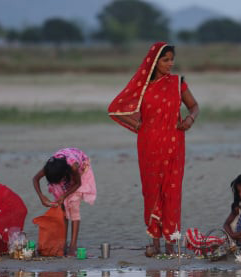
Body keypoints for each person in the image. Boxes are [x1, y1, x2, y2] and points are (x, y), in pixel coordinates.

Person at [108, 42, 199, 257]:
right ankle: (155, 242)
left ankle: (171, 242)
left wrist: (189, 119)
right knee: (151, 191)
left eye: (171, 59)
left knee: (172, 191)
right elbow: (115, 109)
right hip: (149, 144)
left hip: (174, 143)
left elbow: (194, 106)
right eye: (165, 59)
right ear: (154, 61)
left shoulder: (178, 83)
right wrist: (138, 124)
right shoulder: (142, 86)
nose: (170, 63)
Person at [32, 147, 97, 256]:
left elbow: (78, 184)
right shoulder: (50, 167)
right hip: (62, 171)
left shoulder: (74, 167)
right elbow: (35, 179)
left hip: (79, 174)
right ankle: (63, 243)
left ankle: (73, 245)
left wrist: (65, 195)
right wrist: (41, 196)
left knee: (73, 205)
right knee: (63, 207)